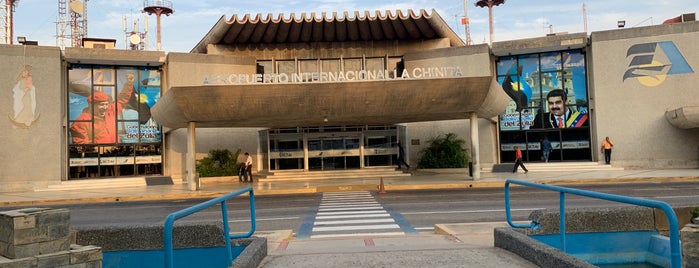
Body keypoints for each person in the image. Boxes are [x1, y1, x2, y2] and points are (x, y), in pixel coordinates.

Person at [69, 74, 135, 144]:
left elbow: (122, 100)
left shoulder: (110, 111)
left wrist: (129, 85)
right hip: (100, 154)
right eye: (102, 104)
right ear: (91, 105)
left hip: (116, 151)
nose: (105, 107)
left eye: (106, 104)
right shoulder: (81, 122)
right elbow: (81, 145)